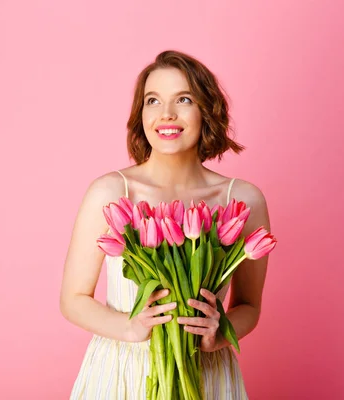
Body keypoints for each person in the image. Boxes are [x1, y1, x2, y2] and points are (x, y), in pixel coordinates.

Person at [59, 50, 271, 399]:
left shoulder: (242, 199)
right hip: (122, 370)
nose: (166, 115)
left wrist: (219, 334)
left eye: (183, 100)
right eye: (153, 100)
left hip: (208, 373)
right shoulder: (111, 192)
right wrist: (129, 328)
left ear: (207, 110)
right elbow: (73, 299)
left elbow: (249, 305)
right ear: (140, 113)